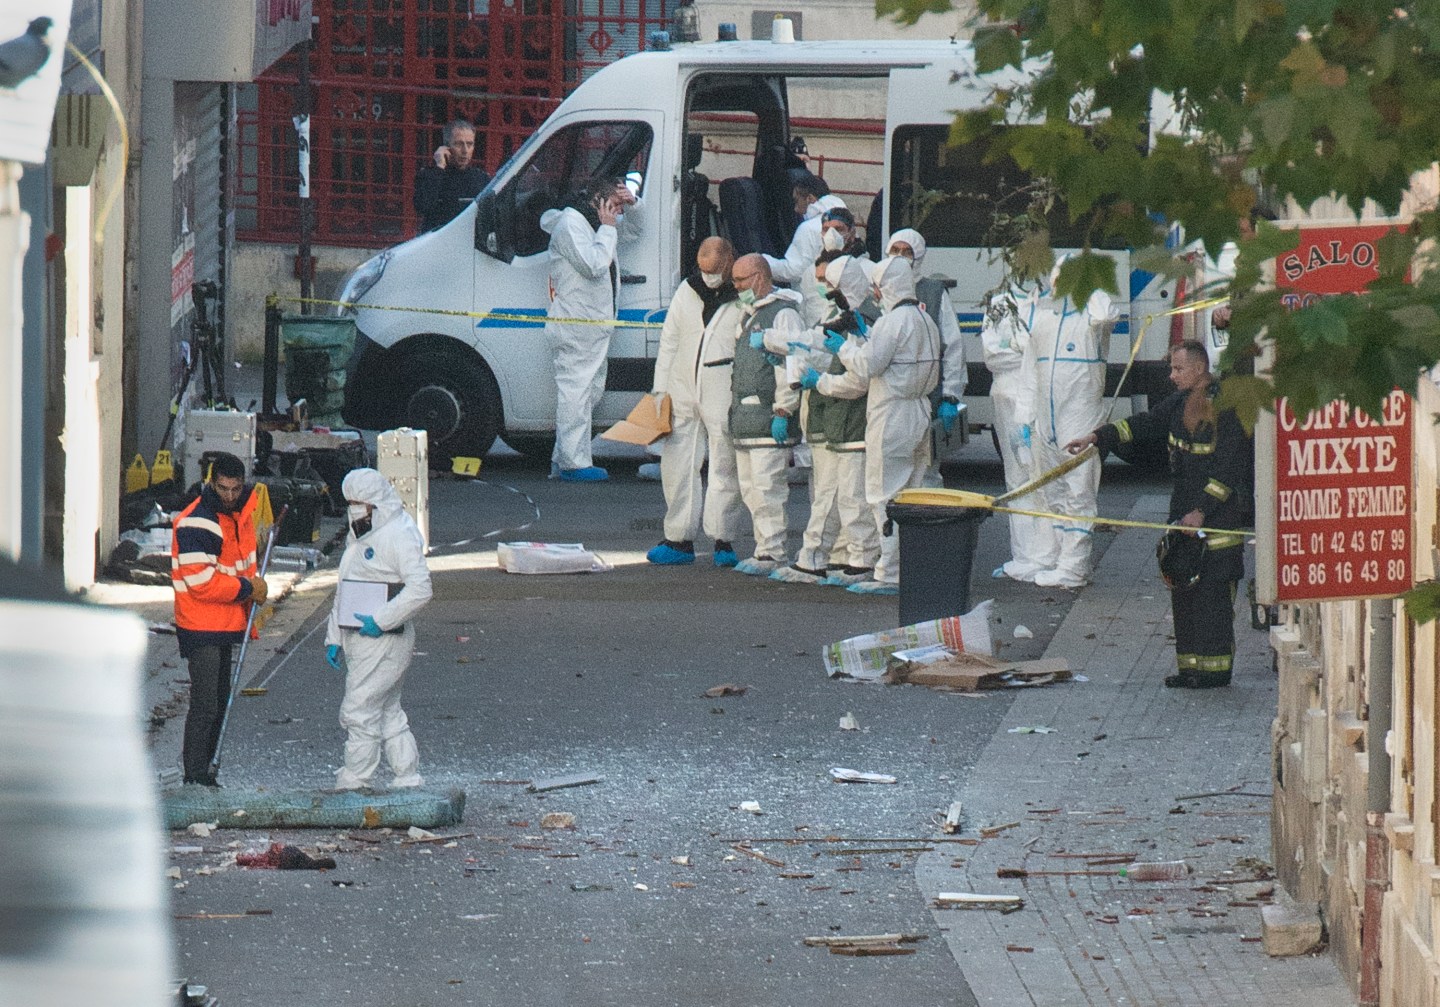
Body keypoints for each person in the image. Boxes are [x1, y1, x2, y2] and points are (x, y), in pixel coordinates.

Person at [1065, 341, 1252, 688]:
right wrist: (1097, 436)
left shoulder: (1225, 408)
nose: (1171, 375)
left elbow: (1229, 467)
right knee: (1184, 597)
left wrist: (1202, 511)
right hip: (1182, 523)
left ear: (1198, 370)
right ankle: (1190, 669)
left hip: (1216, 526)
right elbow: (1145, 424)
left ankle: (1214, 673)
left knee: (1213, 603)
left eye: (1178, 369)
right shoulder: (1180, 403)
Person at [808, 254, 940, 595]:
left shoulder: (893, 322)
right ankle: (905, 566)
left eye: (878, 289)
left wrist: (844, 348)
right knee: (910, 495)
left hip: (892, 414)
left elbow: (869, 366)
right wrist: (865, 337)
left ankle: (888, 573)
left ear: (887, 287)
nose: (875, 296)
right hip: (919, 411)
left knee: (884, 497)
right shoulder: (925, 319)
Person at [773, 253, 879, 585]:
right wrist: (789, 355)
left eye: (831, 286)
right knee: (832, 496)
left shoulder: (866, 323)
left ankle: (861, 560)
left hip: (855, 423)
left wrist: (819, 382)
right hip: (839, 422)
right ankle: (814, 558)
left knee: (854, 499)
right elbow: (819, 348)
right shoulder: (844, 317)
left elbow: (859, 379)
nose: (826, 292)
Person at [325, 469, 433, 789]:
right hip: (362, 637)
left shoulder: (399, 533)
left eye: (358, 502)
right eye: (350, 502)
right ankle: (407, 775)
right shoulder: (363, 531)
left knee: (359, 709)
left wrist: (383, 620)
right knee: (386, 708)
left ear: (374, 502)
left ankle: (356, 779)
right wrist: (335, 637)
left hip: (384, 638)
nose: (353, 508)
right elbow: (346, 585)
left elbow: (421, 589)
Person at [647, 237, 748, 567]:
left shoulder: (742, 296)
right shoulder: (687, 291)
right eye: (704, 272)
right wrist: (660, 393)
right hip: (681, 389)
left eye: (715, 272)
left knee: (724, 462)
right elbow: (669, 343)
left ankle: (723, 538)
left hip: (723, 390)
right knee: (677, 463)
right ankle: (678, 539)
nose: (709, 278)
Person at [170, 452, 267, 787]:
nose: (229, 495)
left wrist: (249, 591)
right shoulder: (199, 521)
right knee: (206, 704)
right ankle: (195, 776)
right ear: (212, 483)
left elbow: (240, 564)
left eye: (236, 489)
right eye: (223, 488)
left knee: (218, 703)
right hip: (201, 624)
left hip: (226, 622)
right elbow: (201, 582)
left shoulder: (238, 516)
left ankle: (206, 773)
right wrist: (247, 588)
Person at [1027, 259, 1118, 588]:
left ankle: (1075, 567)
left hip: (1079, 415)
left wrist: (1088, 285)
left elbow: (1107, 313)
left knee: (1079, 491)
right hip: (1047, 418)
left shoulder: (1092, 319)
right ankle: (1061, 558)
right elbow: (1029, 368)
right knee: (1053, 492)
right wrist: (1028, 417)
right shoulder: (1044, 318)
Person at [540, 177, 632, 481]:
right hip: (576, 325)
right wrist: (607, 227)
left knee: (588, 392)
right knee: (576, 392)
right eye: (614, 205)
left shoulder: (598, 225)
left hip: (593, 326)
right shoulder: (572, 224)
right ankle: (573, 463)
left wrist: (634, 205)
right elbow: (593, 265)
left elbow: (635, 232)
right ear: (598, 201)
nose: (617, 213)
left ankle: (562, 455)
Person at [729, 254, 804, 575]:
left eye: (741, 281)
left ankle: (774, 552)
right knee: (751, 490)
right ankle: (764, 549)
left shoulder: (783, 315)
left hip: (768, 418)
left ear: (759, 277)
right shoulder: (749, 315)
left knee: (767, 489)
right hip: (746, 422)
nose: (736, 287)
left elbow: (792, 363)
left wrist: (783, 409)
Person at [885, 228, 967, 485]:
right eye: (895, 251)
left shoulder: (933, 292)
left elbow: (952, 346)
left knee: (926, 470)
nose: (900, 257)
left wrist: (951, 394)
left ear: (918, 255)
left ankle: (927, 524)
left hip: (927, 397)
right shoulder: (879, 289)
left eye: (906, 251)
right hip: (889, 399)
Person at [980, 285, 1049, 582]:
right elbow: (992, 356)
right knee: (1018, 477)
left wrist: (1022, 348)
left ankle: (1046, 554)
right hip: (1007, 398)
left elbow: (1047, 350)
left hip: (1039, 398)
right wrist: (1028, 349)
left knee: (1042, 475)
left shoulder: (1047, 301)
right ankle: (1024, 555)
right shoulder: (999, 304)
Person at [764, 174, 847, 327]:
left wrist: (762, 262)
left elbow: (794, 271)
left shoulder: (808, 228)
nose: (796, 209)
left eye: (796, 201)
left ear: (810, 199)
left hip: (815, 304)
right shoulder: (844, 221)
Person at [414, 119, 490, 232]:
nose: (465, 150)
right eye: (459, 144)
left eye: (470, 144)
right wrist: (439, 166)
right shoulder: (429, 175)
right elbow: (423, 206)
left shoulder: (481, 178)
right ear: (446, 147)